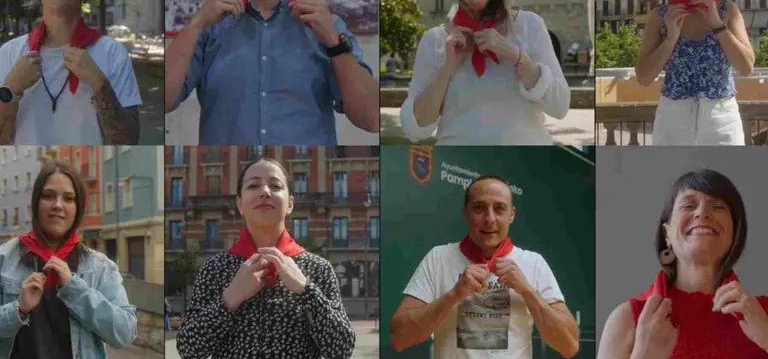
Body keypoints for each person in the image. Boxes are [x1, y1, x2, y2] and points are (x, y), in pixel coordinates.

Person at [165, 0, 379, 145]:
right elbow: (163, 100)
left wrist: (335, 44)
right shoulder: (209, 25)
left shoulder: (329, 25)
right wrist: (196, 23)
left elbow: (371, 119)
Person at [400, 0, 570, 145]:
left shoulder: (530, 25)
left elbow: (561, 106)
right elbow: (413, 130)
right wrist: (447, 70)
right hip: (457, 167)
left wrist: (516, 56)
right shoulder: (434, 40)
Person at [176, 158, 355, 358]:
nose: (265, 192)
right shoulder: (215, 269)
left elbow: (342, 350)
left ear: (290, 204)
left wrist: (306, 290)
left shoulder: (318, 268)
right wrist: (230, 297)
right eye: (253, 185)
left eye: (276, 186)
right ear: (239, 203)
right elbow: (187, 350)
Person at [390, 175, 579, 358]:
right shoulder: (438, 258)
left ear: (511, 214)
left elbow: (569, 346)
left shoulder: (533, 263)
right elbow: (399, 338)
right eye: (479, 208)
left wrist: (527, 291)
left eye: (499, 209)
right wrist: (453, 295)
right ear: (465, 213)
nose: (490, 219)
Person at [598, 169, 768, 358]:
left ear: (734, 233)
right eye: (688, 205)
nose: (703, 213)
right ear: (667, 234)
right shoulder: (627, 318)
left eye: (718, 207)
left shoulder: (763, 314)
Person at [0, 0, 142, 145]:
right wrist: (10, 89)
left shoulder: (112, 53)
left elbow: (129, 141)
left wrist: (100, 84)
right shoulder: (9, 53)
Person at [0, 161, 137, 358]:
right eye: (48, 196)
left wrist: (76, 291)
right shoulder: (4, 259)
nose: (58, 205)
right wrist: (18, 309)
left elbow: (125, 333)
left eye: (69, 198)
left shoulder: (101, 268)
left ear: (78, 208)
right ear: (35, 203)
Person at [634, 0, 754, 145]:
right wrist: (671, 38)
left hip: (723, 123)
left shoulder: (728, 11)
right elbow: (643, 78)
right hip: (672, 123)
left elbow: (746, 67)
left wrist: (718, 25)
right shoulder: (659, 16)